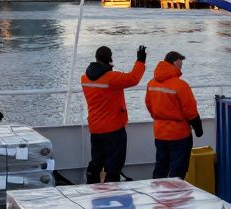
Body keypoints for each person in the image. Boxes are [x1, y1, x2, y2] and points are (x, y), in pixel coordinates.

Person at [81, 44, 146, 183]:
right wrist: (140, 61)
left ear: (96, 58)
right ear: (110, 59)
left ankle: (92, 186)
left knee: (97, 162)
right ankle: (112, 190)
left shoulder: (84, 79)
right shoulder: (112, 78)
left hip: (95, 128)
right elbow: (133, 78)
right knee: (113, 165)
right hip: (113, 129)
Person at [144, 51, 203, 179]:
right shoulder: (180, 85)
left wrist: (159, 118)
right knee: (177, 170)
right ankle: (176, 197)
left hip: (160, 133)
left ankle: (158, 195)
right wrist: (198, 129)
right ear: (175, 61)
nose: (181, 65)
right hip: (179, 135)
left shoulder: (151, 84)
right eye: (180, 61)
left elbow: (149, 105)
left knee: (161, 167)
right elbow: (190, 111)